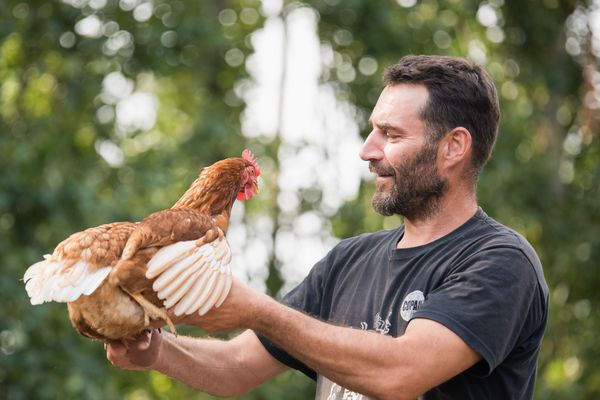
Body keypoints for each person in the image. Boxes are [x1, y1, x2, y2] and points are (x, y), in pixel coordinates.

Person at [106, 55, 549, 400]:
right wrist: (157, 351)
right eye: (372, 131)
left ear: (453, 146)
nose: (366, 150)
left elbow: (401, 373)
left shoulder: (500, 262)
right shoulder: (348, 260)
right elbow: (238, 364)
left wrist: (255, 309)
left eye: (390, 135)